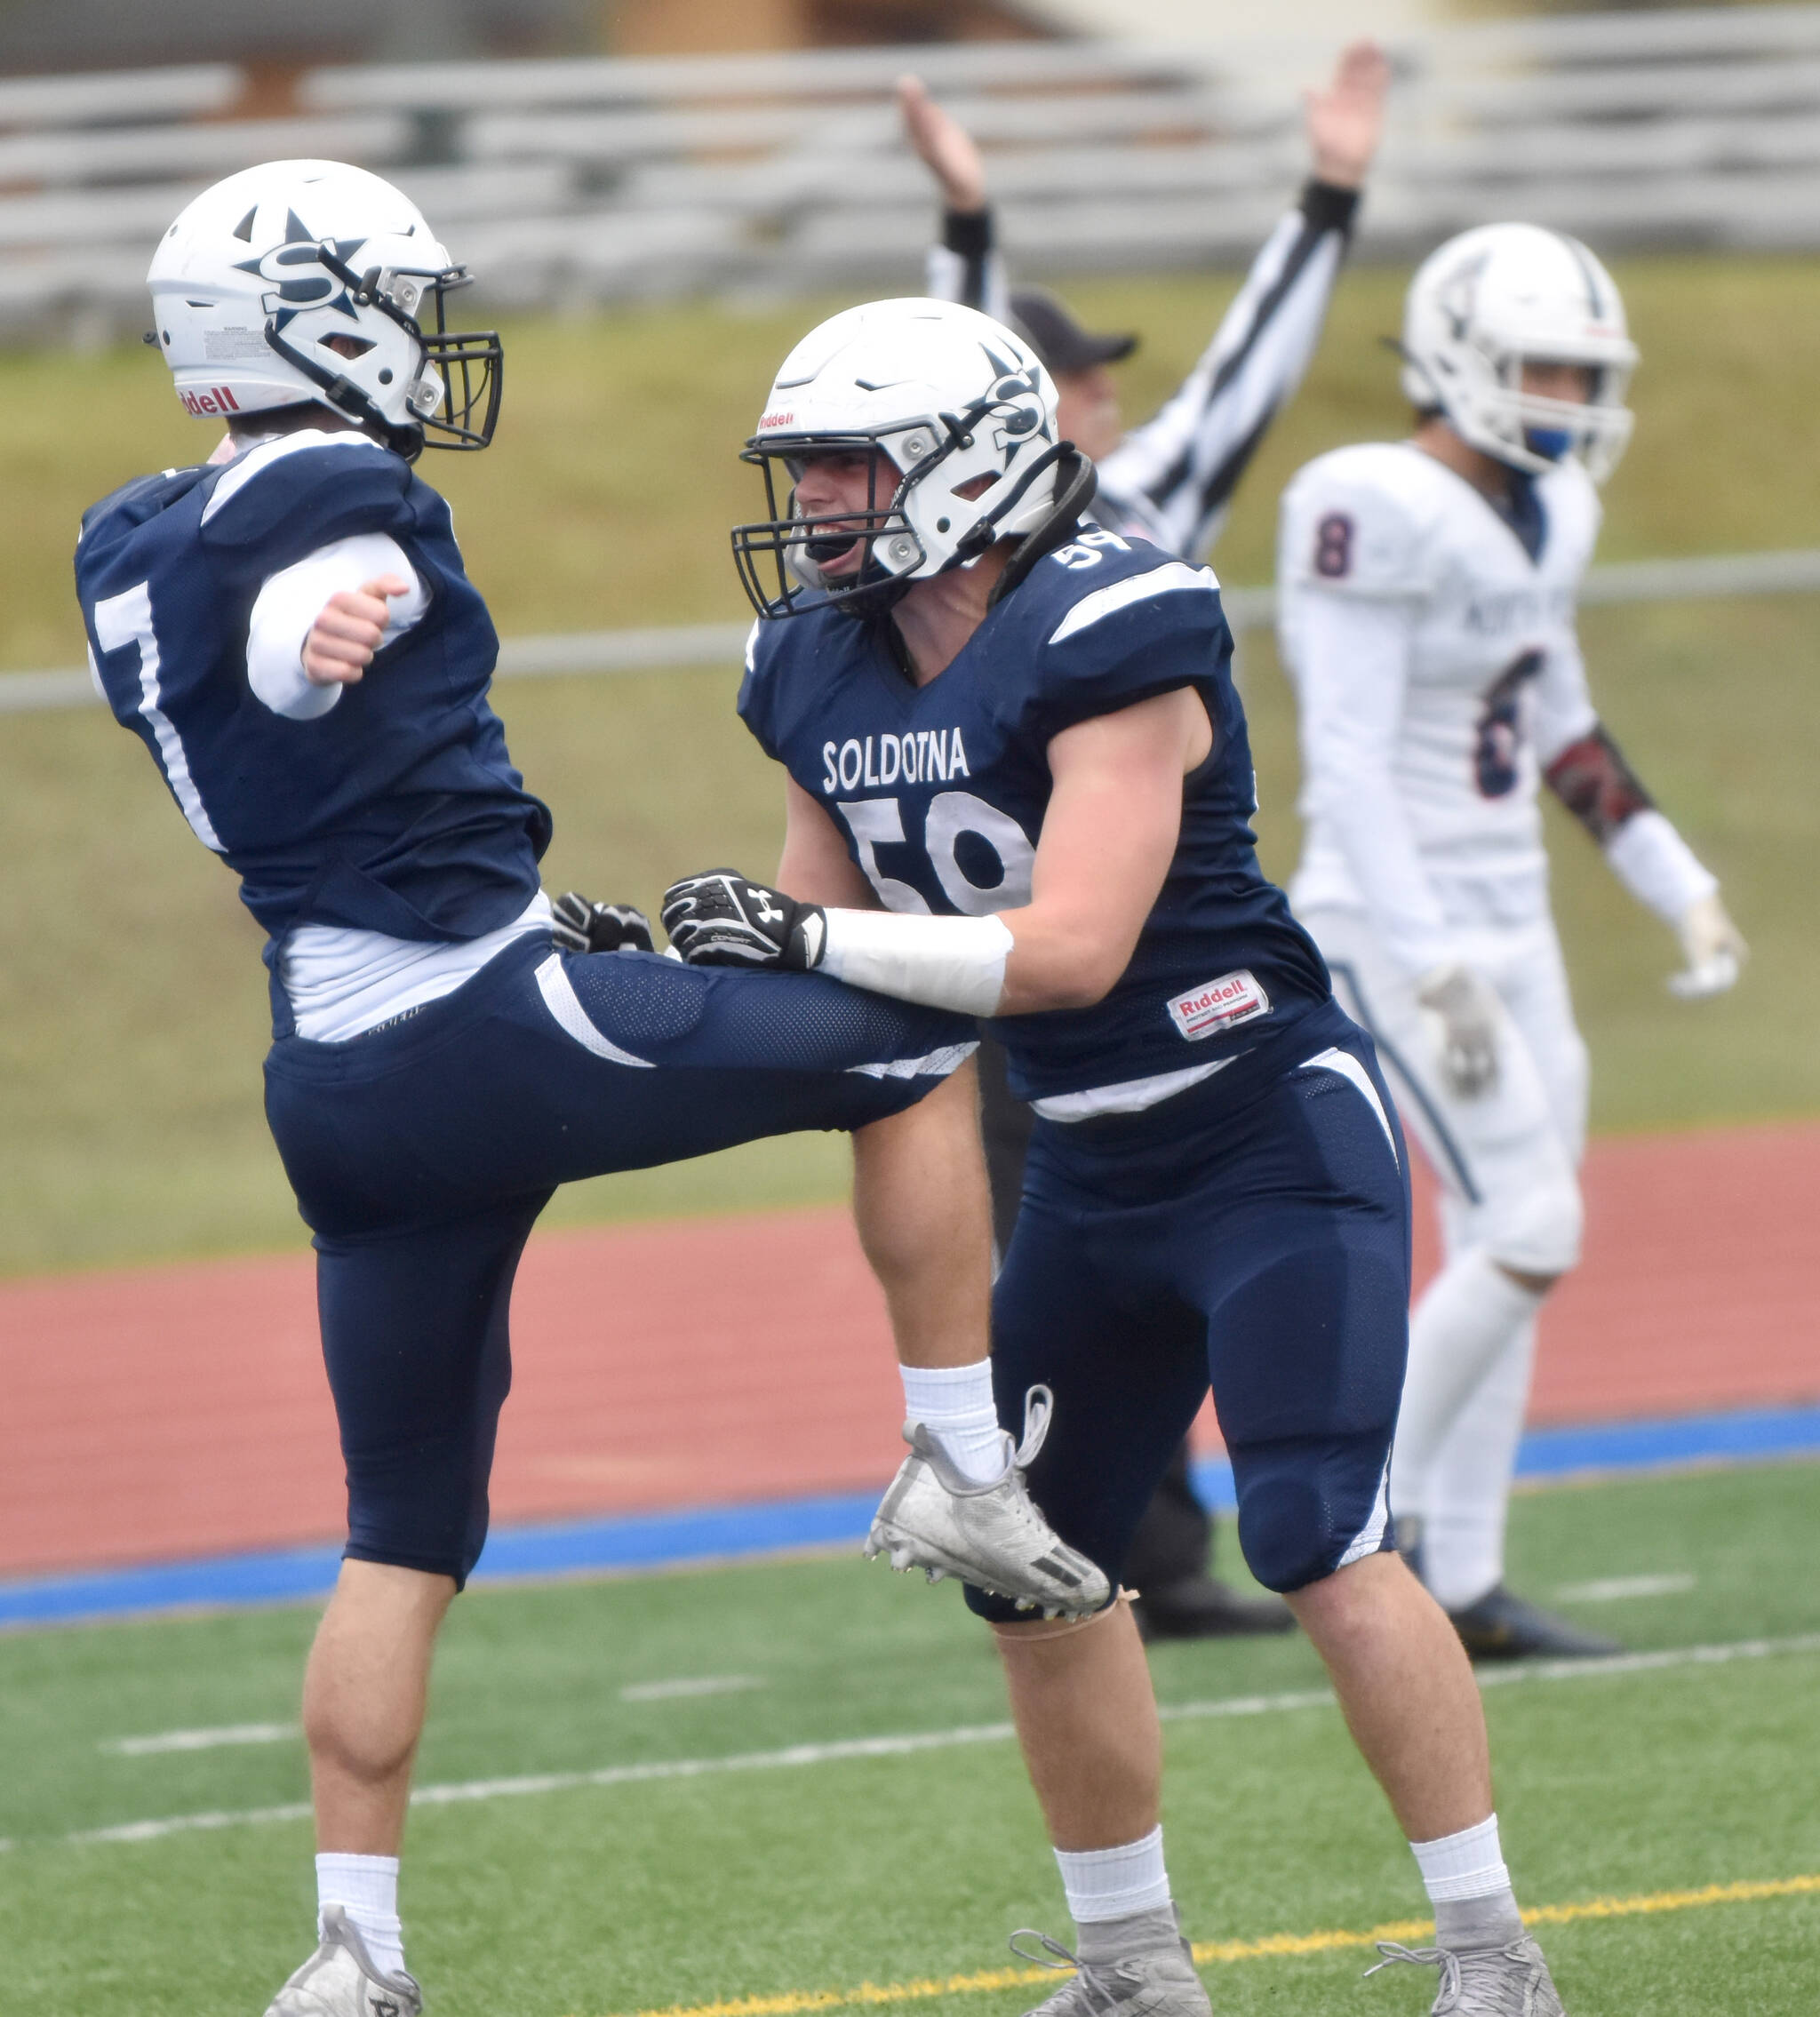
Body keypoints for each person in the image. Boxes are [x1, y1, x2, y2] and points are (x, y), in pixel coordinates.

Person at [76, 162, 1102, 2017]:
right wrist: (315, 648)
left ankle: (350, 1953)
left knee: (401, 1523)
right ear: (308, 313)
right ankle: (960, 1458)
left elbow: (249, 672)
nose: (428, 342)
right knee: (919, 1039)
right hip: (481, 1023)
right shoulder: (348, 504)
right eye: (398, 303)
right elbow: (313, 611)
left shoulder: (123, 534)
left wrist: (312, 688)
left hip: (331, 1067)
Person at [659, 295, 1575, 2016]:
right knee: (1036, 1571)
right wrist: (648, 993)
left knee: (1318, 1532)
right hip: (1085, 1168)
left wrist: (794, 946)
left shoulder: (1117, 618)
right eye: (810, 467)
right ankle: (1136, 1966)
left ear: (980, 456)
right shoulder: (809, 660)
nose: (824, 501)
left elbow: (1067, 949)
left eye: (855, 461)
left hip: (1261, 1130)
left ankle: (1490, 1953)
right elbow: (825, 945)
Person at [896, 44, 1389, 1637]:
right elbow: (935, 375)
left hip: (1166, 955)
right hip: (1003, 960)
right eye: (1078, 379)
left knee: (1168, 1233)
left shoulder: (1132, 515)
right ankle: (1119, 1532)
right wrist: (962, 228)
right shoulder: (924, 548)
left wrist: (1327, 200)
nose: (1108, 399)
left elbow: (1242, 371)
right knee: (1052, 1237)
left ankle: (1168, 1534)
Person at [1275, 223, 1746, 1660]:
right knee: (1534, 1228)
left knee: (1514, 1234)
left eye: (1583, 370)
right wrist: (1423, 957)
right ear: (1459, 355)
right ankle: (1351, 1529)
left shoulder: (1556, 511)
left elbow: (1558, 719)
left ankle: (1465, 1580)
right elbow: (1347, 764)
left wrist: (1673, 877)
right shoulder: (1364, 501)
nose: (1567, 394)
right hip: (1389, 919)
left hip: (1513, 916)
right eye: (1544, 365)